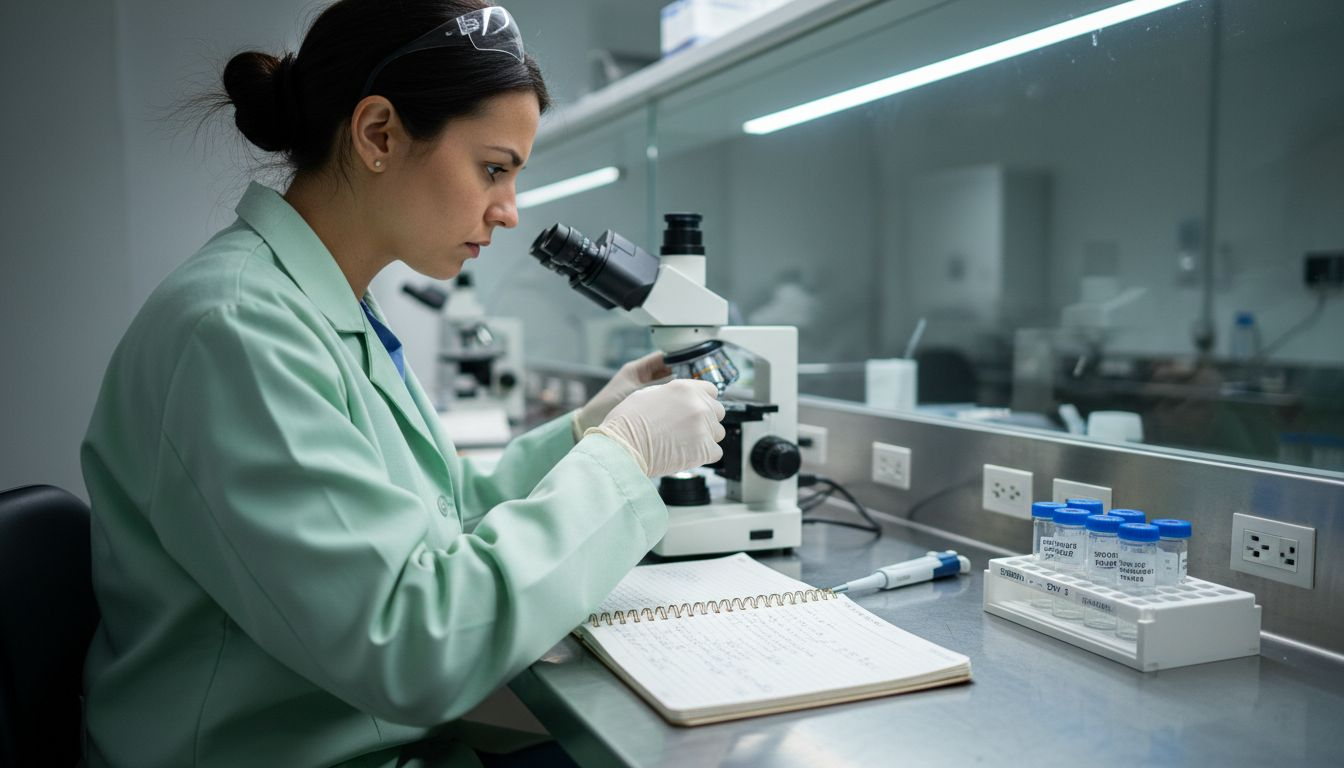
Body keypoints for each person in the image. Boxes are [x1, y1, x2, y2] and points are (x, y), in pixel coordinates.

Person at [79, 2, 726, 766]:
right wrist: (625, 457)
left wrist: (589, 430)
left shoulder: (322, 305)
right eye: (494, 168)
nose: (510, 212)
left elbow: (451, 514)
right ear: (379, 134)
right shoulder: (236, 330)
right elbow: (416, 647)